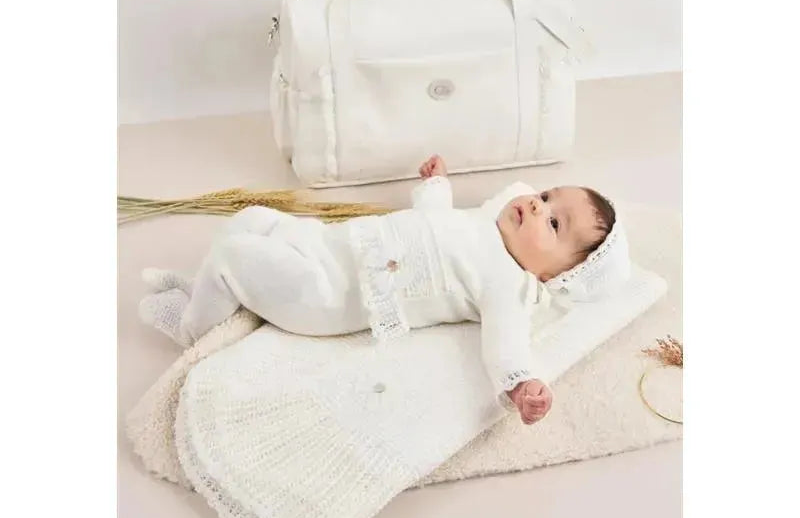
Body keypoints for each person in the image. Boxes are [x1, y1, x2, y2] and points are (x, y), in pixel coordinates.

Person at [140, 154, 629, 425]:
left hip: (329, 294)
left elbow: (507, 346)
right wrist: (436, 186)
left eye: (555, 224)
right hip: (328, 245)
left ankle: (193, 327)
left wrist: (523, 386)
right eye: (546, 197)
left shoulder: (508, 285)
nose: (539, 207)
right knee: (253, 219)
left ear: (551, 276)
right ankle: (204, 294)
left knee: (235, 255)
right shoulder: (483, 221)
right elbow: (434, 220)